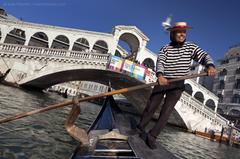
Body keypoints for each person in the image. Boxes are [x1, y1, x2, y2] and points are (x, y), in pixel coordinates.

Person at [136, 22, 217, 149]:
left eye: (184, 32)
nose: (182, 34)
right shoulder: (165, 48)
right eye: (179, 32)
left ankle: (152, 136)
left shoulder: (191, 47)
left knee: (166, 111)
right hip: (163, 80)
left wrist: (210, 65)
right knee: (151, 105)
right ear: (173, 33)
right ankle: (140, 129)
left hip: (178, 84)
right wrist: (160, 75)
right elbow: (160, 62)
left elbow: (204, 56)